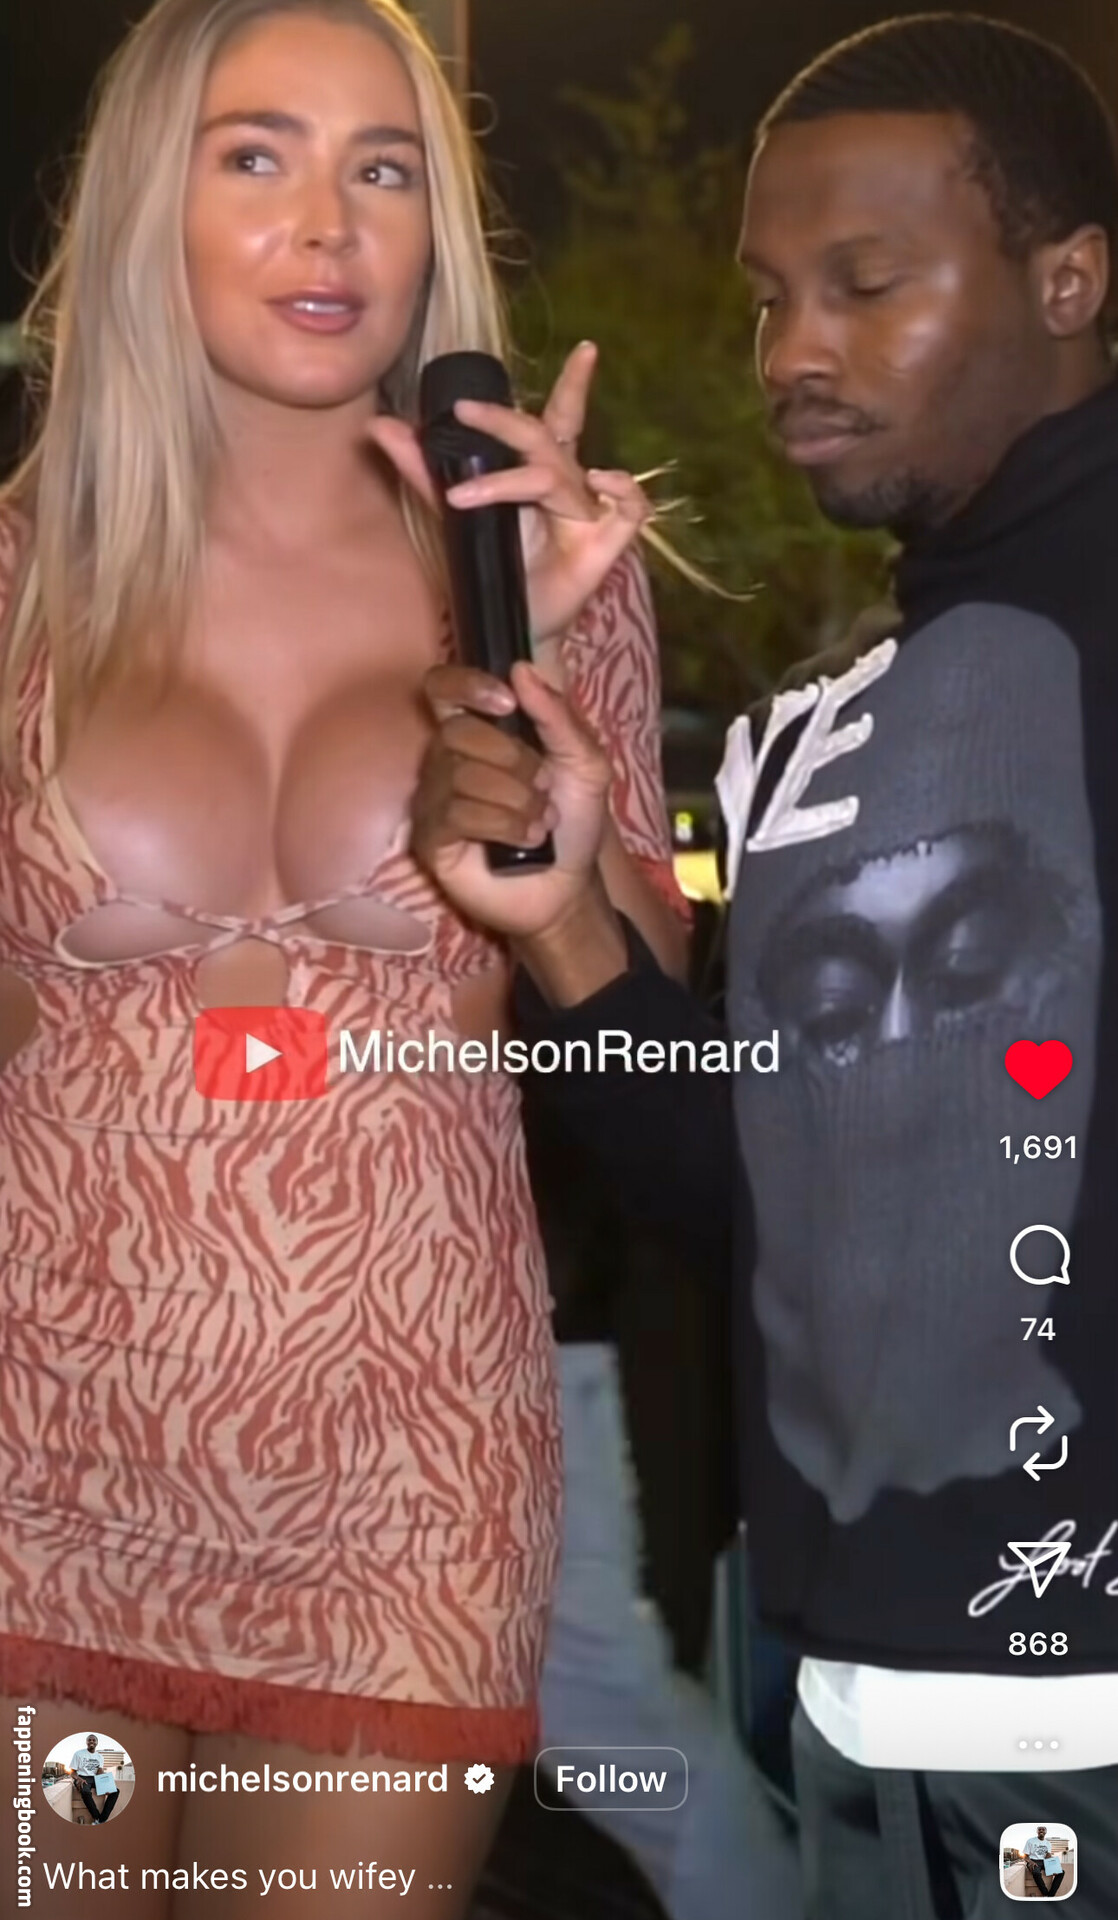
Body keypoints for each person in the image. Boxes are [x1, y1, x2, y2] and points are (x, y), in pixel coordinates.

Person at [410, 15, 1118, 1919]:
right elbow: (738, 1200)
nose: (792, 350)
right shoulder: (804, 736)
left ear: (1067, 279)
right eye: (766, 298)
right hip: (862, 1693)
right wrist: (562, 924)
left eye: (864, 285)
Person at [0, 3, 686, 1914]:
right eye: (258, 155)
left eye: (382, 168)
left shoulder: (544, 573)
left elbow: (646, 1061)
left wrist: (543, 706)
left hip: (405, 1488)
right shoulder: (19, 581)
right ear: (148, 199)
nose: (328, 223)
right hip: (36, 1460)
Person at [69, 1733, 120, 1825]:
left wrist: (106, 1785)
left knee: (115, 1791)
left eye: (94, 1740)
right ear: (86, 1742)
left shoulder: (100, 1757)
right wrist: (78, 1779)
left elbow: (99, 1771)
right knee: (85, 1792)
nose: (91, 1741)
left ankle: (102, 1819)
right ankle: (97, 1817)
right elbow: (72, 1772)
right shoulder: (78, 1754)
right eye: (89, 1740)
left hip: (95, 1778)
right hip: (82, 1777)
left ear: (97, 1743)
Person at [1023, 1827, 1065, 1898]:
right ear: (1037, 1831)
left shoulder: (1048, 1843)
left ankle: (1051, 1895)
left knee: (1061, 1872)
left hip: (1045, 1861)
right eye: (1039, 1829)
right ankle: (1045, 1894)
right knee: (1036, 1873)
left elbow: (1048, 1856)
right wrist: (1030, 1862)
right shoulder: (1030, 1841)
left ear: (1046, 1832)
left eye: (1043, 1829)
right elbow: (1025, 1856)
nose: (1041, 1830)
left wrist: (1053, 1867)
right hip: (1034, 1861)